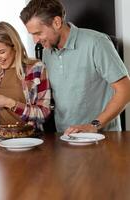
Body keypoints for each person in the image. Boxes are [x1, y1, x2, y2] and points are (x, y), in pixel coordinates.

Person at [20, 0, 130, 134]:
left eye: (38, 33)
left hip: (102, 139)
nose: (35, 40)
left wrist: (93, 125)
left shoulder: (96, 43)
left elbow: (125, 91)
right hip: (64, 138)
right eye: (32, 35)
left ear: (56, 22)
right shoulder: (47, 52)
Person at [0, 21, 51, 131]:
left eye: (2, 52)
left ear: (15, 46)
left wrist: (9, 103)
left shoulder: (36, 69)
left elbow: (44, 113)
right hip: (2, 140)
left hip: (30, 139)